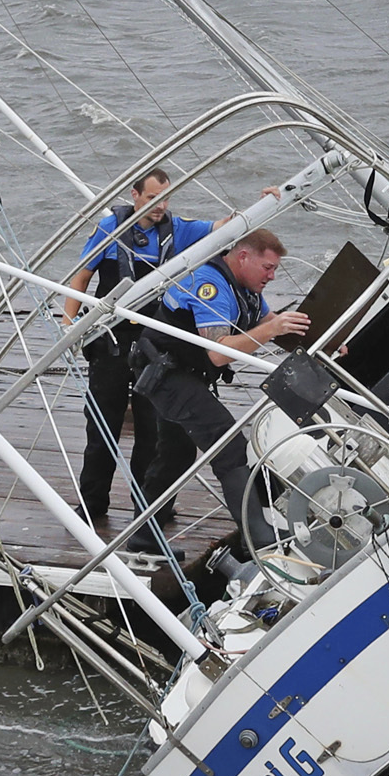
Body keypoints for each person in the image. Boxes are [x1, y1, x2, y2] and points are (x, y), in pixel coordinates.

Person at [132, 229, 310, 558]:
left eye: (274, 270)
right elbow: (219, 352)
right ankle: (256, 537)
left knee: (175, 456)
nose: (272, 276)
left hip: (186, 373)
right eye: (267, 268)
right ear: (243, 257)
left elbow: (275, 323)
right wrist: (271, 329)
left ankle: (143, 534)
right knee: (231, 450)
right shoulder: (210, 284)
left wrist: (320, 344)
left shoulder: (247, 288)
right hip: (166, 374)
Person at [62, 171, 212, 531]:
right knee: (102, 428)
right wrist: (68, 325)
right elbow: (81, 277)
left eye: (166, 198)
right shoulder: (110, 230)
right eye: (152, 198)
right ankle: (92, 502)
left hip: (156, 346)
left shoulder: (182, 230)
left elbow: (231, 226)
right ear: (134, 195)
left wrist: (269, 195)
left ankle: (149, 506)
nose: (160, 206)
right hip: (111, 344)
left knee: (154, 431)